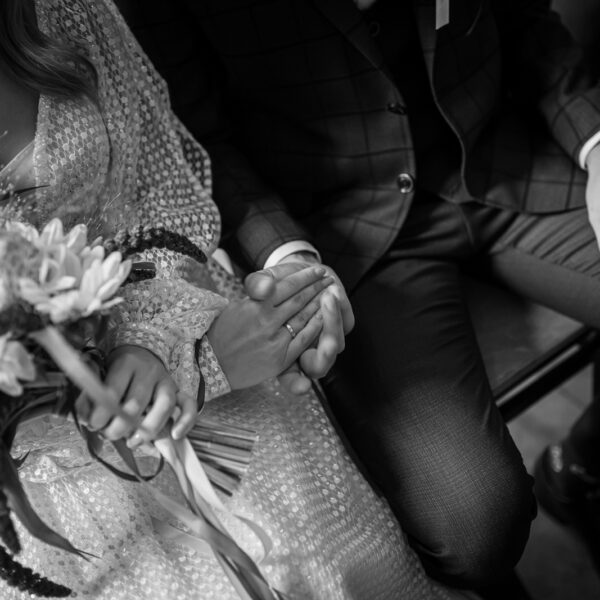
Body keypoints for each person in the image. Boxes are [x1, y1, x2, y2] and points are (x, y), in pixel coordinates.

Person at [0, 1, 475, 599]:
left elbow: (160, 191)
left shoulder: (63, 9)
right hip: (48, 488)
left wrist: (152, 338)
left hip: (168, 317)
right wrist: (199, 367)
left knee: (334, 556)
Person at [118, 0, 600, 589]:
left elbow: (529, 25)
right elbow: (198, 136)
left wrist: (596, 142)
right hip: (341, 234)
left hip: (507, 162)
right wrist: (288, 255)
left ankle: (584, 468)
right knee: (475, 523)